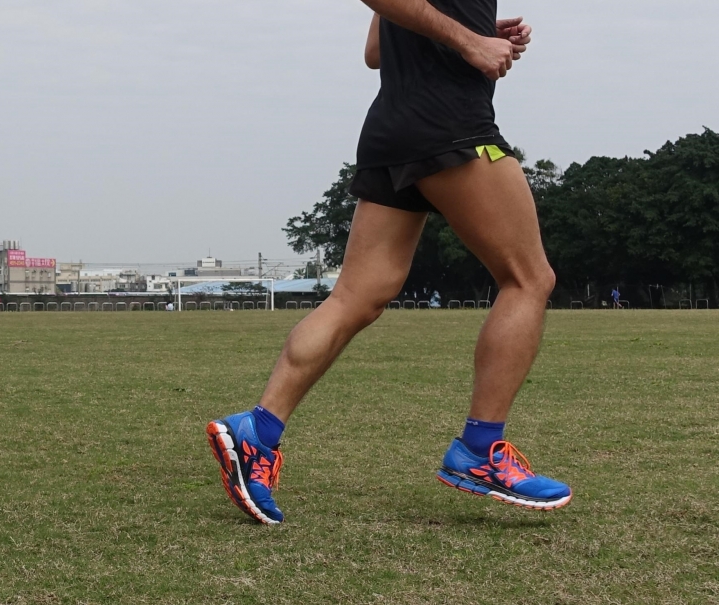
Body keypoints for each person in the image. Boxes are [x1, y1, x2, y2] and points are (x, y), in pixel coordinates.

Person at [206, 0, 572, 525]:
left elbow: (376, 49)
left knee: (356, 298)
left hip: (394, 127)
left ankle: (256, 432)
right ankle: (481, 450)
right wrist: (469, 40)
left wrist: (469, 27)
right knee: (529, 279)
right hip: (449, 124)